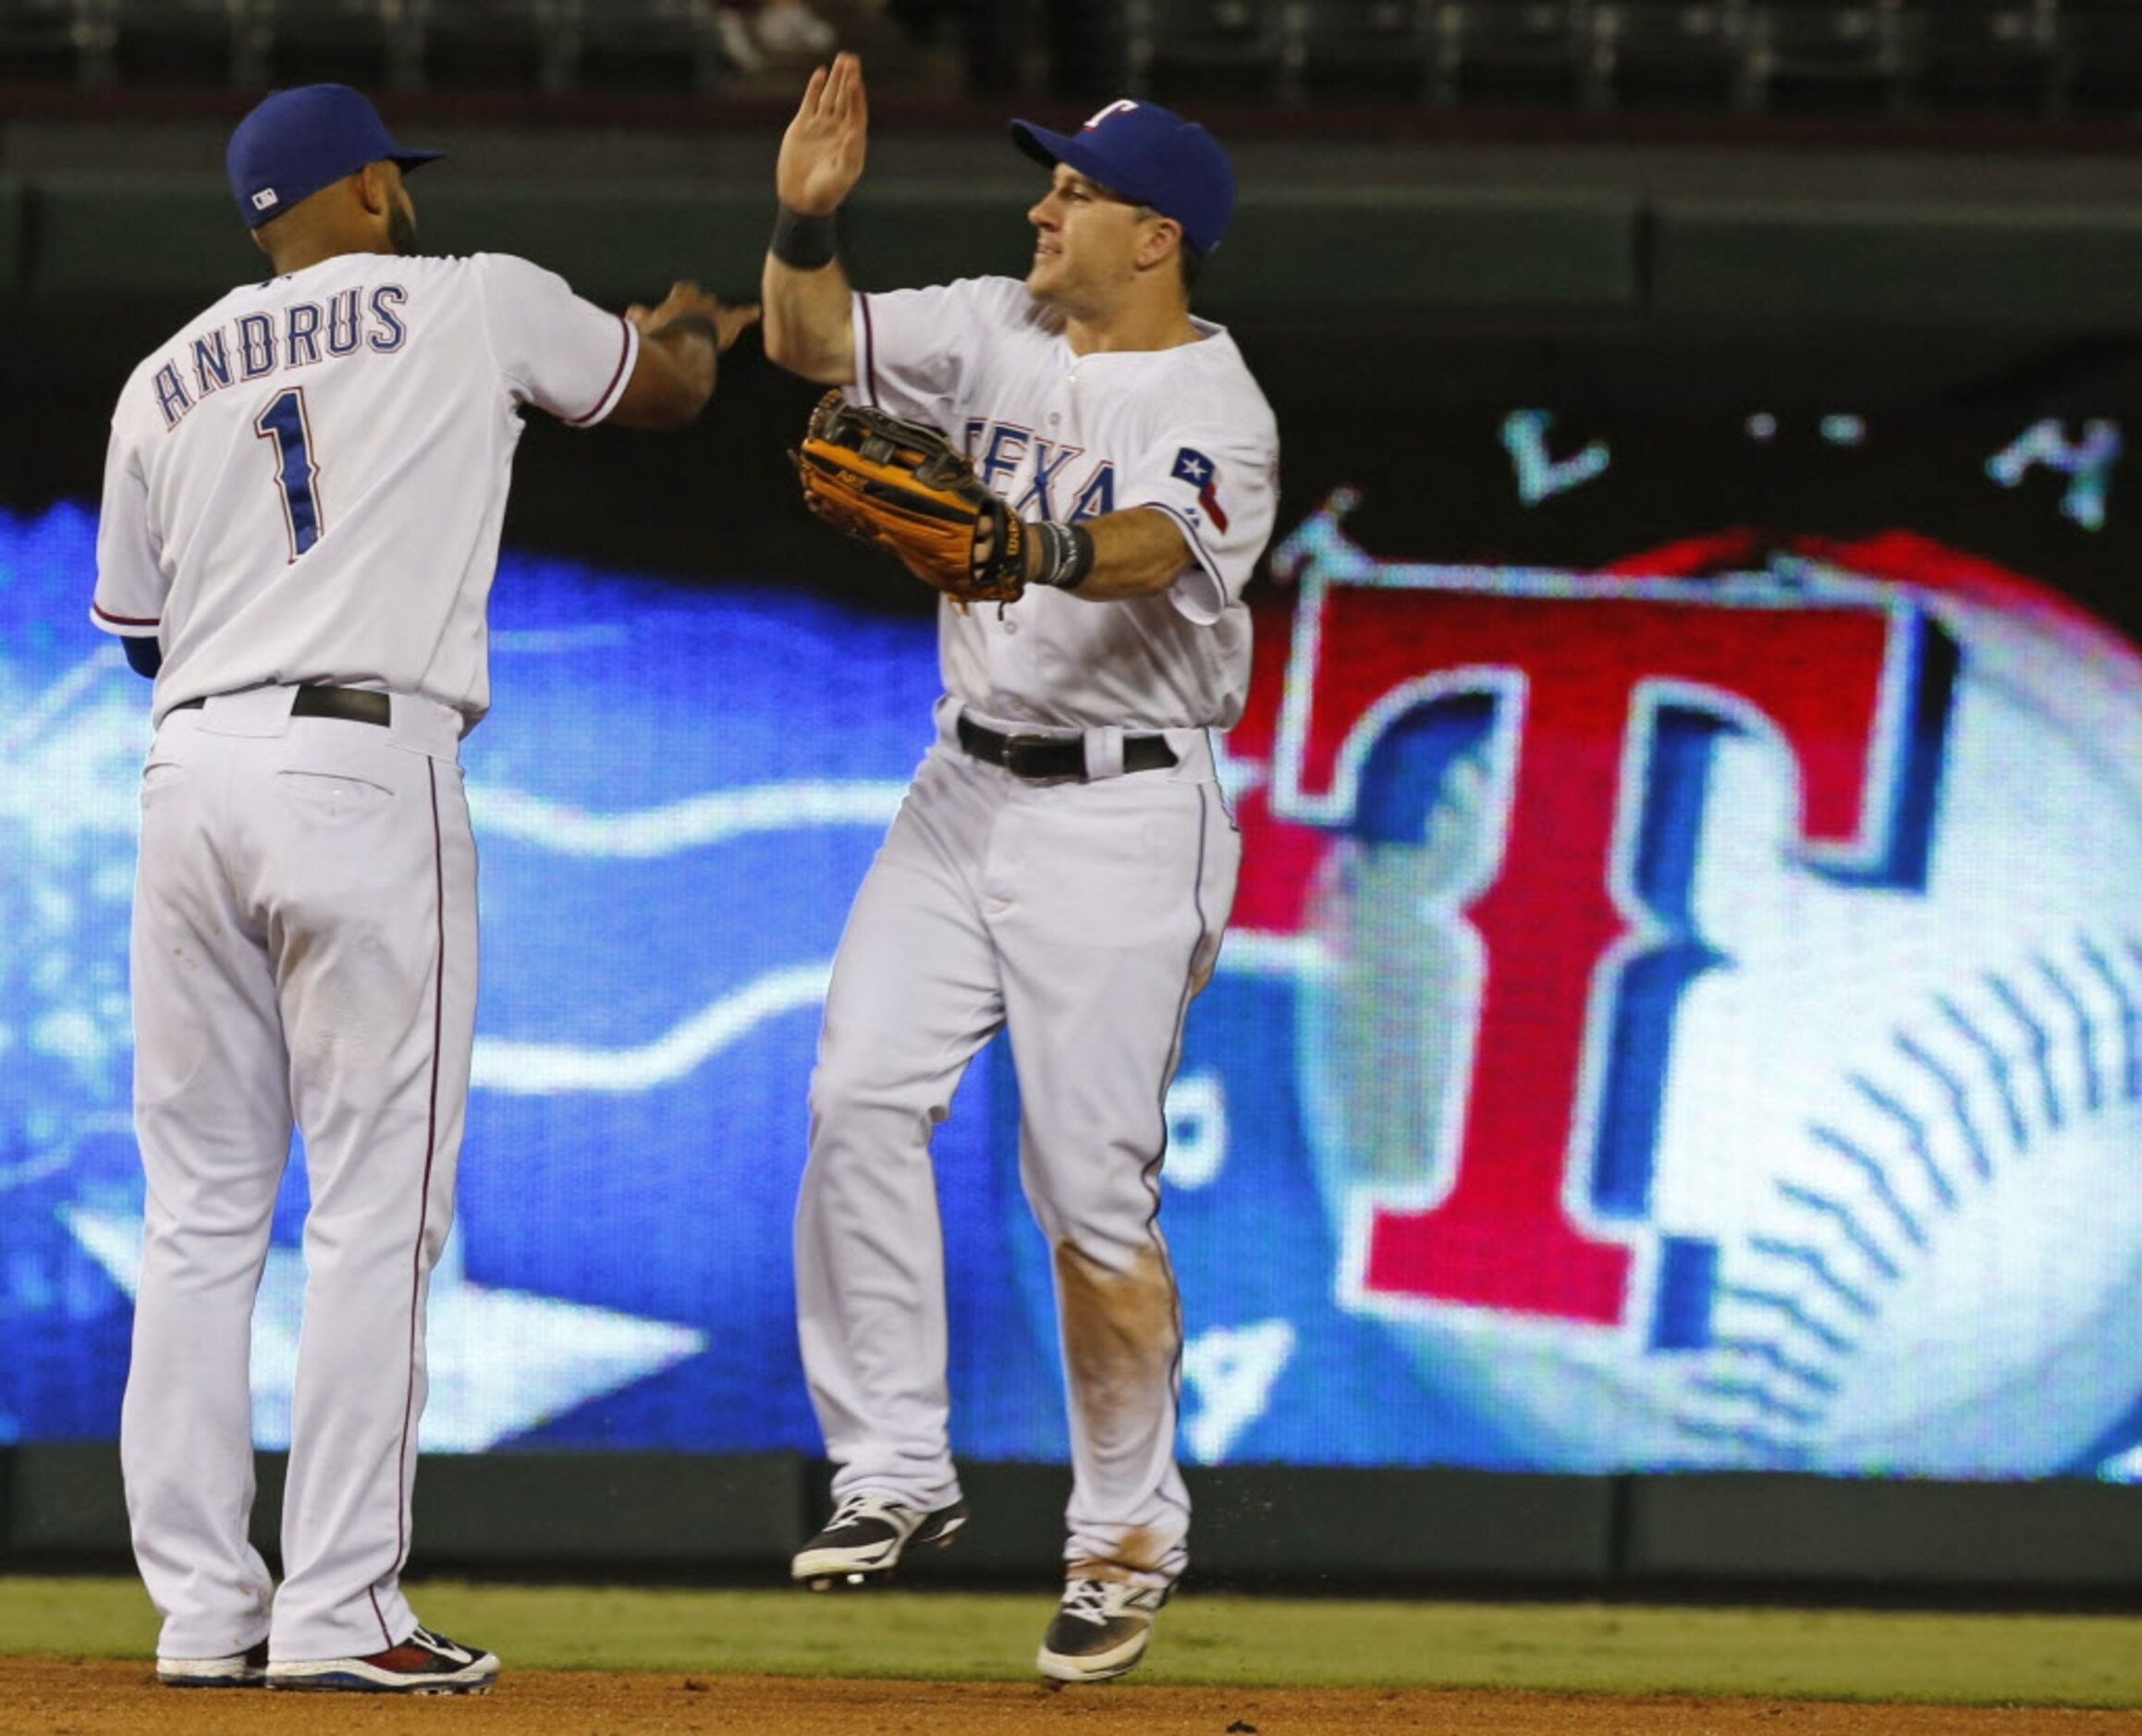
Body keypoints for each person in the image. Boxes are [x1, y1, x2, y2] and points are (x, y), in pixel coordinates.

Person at [91, 82, 755, 1694]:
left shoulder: (161, 376)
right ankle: (338, 1608)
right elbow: (656, 395)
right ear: (374, 188)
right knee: (377, 1211)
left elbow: (132, 628)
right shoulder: (472, 295)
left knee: (197, 1221)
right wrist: (683, 335)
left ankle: (202, 1611)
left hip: (190, 773)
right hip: (361, 765)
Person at [762, 55, 1278, 1682]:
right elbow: (804, 343)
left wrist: (1022, 543)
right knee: (855, 1094)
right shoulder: (995, 321)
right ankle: (893, 1471)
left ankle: (1125, 1537)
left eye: (1073, 189)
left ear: (1159, 234)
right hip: (961, 781)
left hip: (1127, 816)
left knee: (1087, 1199)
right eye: (1047, 179)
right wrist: (802, 216)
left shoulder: (1215, 405)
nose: (1040, 205)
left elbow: (1147, 550)